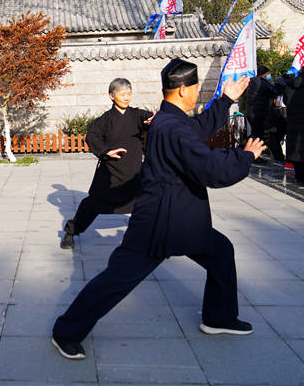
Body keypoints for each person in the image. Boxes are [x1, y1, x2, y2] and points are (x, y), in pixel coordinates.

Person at [51, 59, 266, 360]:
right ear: (181, 90)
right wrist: (244, 157)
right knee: (118, 279)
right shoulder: (171, 127)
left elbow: (197, 128)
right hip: (158, 223)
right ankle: (66, 332)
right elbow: (210, 169)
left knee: (221, 251)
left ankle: (218, 318)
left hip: (181, 218)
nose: (196, 93)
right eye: (194, 87)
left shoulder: (170, 118)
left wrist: (226, 100)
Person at [60, 78, 154, 249]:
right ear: (112, 96)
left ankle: (148, 236)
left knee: (145, 204)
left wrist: (153, 120)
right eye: (122, 94)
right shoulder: (105, 119)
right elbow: (92, 136)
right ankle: (70, 231)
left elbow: (149, 118)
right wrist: (105, 151)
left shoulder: (136, 114)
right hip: (111, 171)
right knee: (93, 204)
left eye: (129, 94)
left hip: (133, 173)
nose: (126, 98)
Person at [245, 65, 276, 143]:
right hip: (258, 113)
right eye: (268, 73)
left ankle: (249, 151)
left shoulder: (251, 81)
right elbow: (274, 92)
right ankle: (246, 150)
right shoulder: (263, 83)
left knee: (255, 133)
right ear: (264, 74)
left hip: (250, 112)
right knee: (258, 135)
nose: (269, 75)